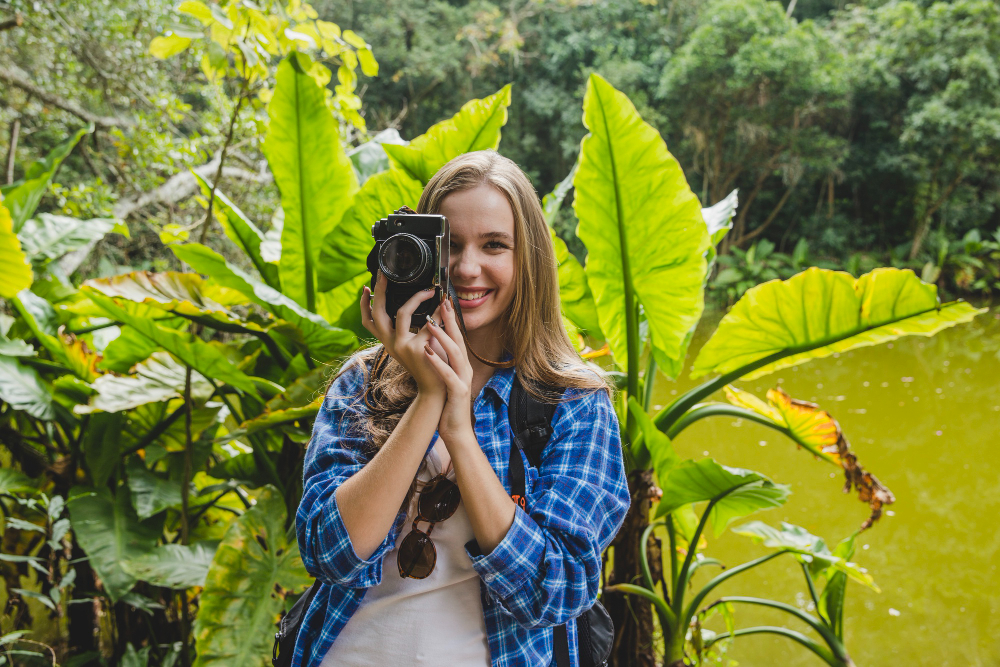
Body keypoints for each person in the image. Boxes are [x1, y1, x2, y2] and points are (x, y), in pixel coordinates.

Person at [293, 150, 630, 667]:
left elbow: (554, 590)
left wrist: (459, 430)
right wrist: (428, 397)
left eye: (494, 245)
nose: (467, 267)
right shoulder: (362, 383)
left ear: (528, 261)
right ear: (420, 251)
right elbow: (329, 553)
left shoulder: (573, 402)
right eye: (449, 245)